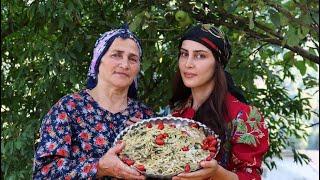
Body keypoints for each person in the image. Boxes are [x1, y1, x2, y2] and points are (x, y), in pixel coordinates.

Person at [33, 26, 154, 179]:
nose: (125, 65)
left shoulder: (145, 117)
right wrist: (99, 167)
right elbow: (44, 173)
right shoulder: (69, 108)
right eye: (116, 55)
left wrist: (151, 142)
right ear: (98, 60)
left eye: (132, 59)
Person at [170, 24, 269, 180]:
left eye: (200, 55)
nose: (188, 63)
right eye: (184, 54)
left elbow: (251, 177)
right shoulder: (178, 112)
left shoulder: (245, 117)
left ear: (218, 63)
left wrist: (217, 174)